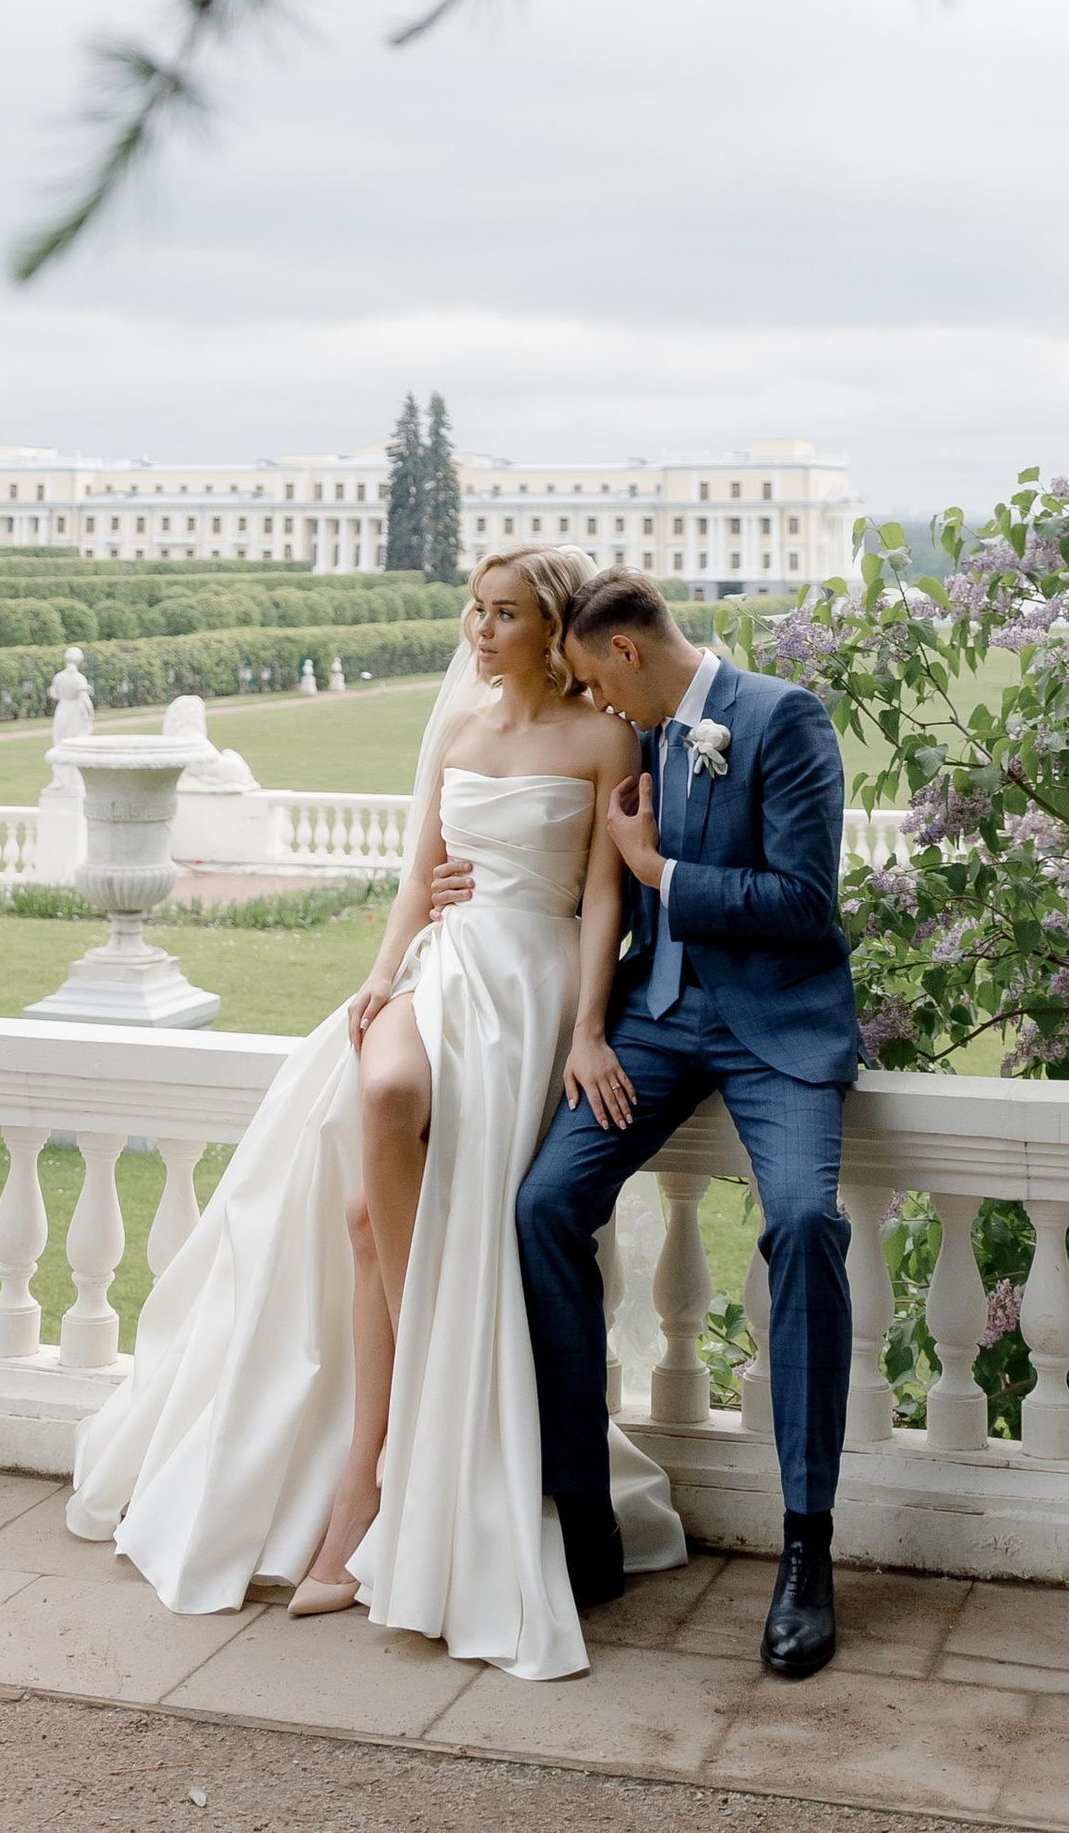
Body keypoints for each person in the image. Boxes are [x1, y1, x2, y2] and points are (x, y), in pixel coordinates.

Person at [67, 548, 685, 1679]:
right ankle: (406, 1403)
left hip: (530, 983)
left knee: (364, 1223)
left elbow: (604, 897)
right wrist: (380, 971)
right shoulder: (456, 735)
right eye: (477, 610)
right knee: (384, 1088)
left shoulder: (605, 740)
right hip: (441, 965)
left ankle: (366, 1486)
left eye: (504, 615)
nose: (479, 631)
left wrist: (588, 1028)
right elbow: (420, 873)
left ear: (553, 630)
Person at [438, 570, 861, 1681]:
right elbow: (582, 876)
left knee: (807, 1224)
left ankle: (807, 1549)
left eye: (592, 680)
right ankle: (584, 1512)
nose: (595, 706)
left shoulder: (781, 718)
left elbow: (804, 900)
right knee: (542, 1207)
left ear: (623, 654)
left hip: (775, 1031)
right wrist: (462, 886)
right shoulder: (638, 734)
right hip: (654, 1023)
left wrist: (661, 865)